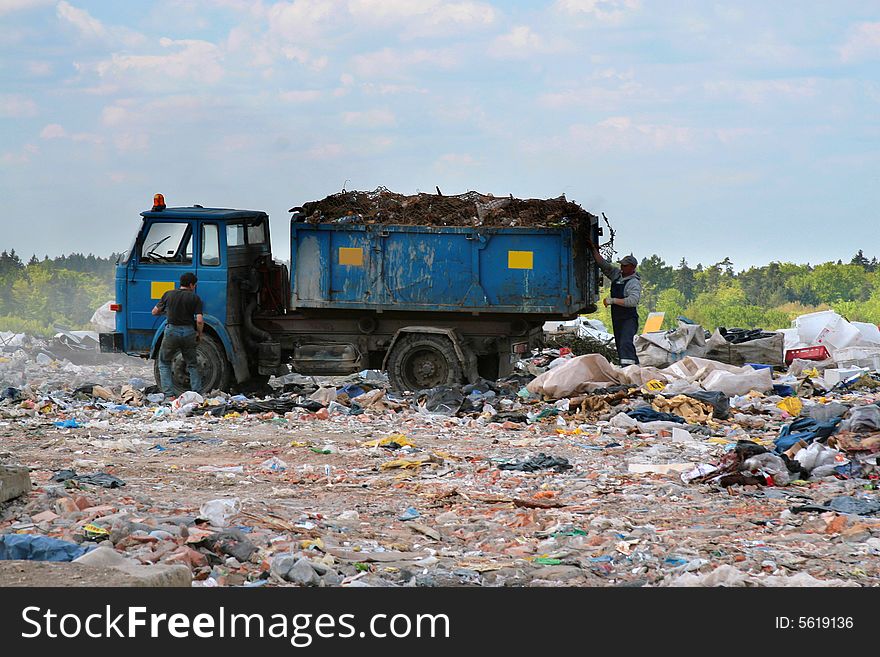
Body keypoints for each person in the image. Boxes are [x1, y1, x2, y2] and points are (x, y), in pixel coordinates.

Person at [586, 241, 642, 365]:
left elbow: (633, 301)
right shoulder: (617, 275)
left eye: (625, 266)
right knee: (619, 344)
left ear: (632, 267)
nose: (622, 267)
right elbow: (603, 265)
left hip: (629, 319)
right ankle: (632, 367)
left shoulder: (634, 283)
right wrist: (593, 249)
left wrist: (613, 300)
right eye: (621, 265)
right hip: (617, 318)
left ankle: (629, 369)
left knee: (625, 342)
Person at [152, 272, 204, 397]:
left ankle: (169, 396)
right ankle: (197, 394)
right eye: (194, 285)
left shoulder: (168, 294)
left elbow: (154, 312)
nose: (195, 287)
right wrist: (199, 334)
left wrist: (166, 312)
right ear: (191, 285)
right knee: (192, 363)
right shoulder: (195, 298)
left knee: (164, 363)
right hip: (188, 332)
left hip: (172, 331)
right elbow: (200, 320)